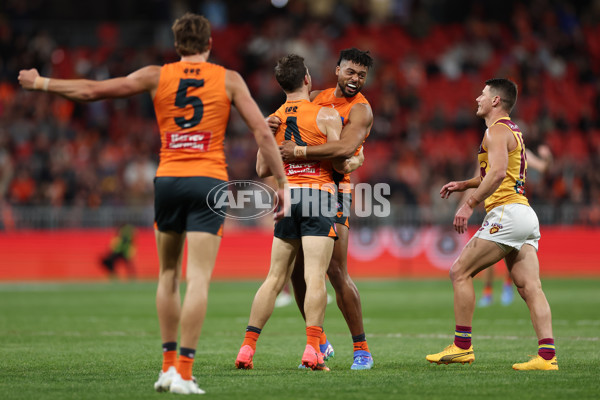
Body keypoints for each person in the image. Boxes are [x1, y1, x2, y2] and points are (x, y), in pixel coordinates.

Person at [19, 13, 289, 394]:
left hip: (169, 180)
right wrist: (281, 182)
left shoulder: (155, 75)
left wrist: (41, 82)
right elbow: (262, 130)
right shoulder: (228, 79)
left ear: (176, 45)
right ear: (209, 44)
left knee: (167, 274)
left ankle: (166, 368)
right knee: (198, 278)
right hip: (209, 182)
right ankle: (184, 371)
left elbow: (93, 91)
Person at [234, 54, 363, 371]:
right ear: (307, 79)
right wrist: (356, 160)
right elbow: (338, 162)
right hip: (318, 195)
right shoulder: (326, 115)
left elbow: (262, 168)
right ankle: (312, 350)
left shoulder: (273, 119)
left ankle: (247, 349)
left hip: (288, 197)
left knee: (274, 278)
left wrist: (266, 135)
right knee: (315, 276)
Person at [425, 78, 558, 371]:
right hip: (524, 213)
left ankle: (462, 347)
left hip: (506, 213)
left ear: (496, 101)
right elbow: (499, 172)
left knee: (459, 272)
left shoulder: (496, 131)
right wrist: (465, 184)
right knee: (530, 287)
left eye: (483, 94)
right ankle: (547, 358)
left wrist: (469, 204)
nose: (477, 98)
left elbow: (497, 174)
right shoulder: (513, 131)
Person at [277, 48, 375, 370]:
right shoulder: (315, 98)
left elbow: (346, 150)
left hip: (335, 190)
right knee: (296, 270)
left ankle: (361, 348)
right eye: (350, 72)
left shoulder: (361, 110)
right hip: (304, 187)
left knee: (335, 270)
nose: (355, 79)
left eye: (361, 75)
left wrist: (300, 151)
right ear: (337, 70)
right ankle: (319, 341)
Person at [477, 145, 553, 307]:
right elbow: (479, 178)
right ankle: (489, 291)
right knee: (491, 254)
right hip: (495, 208)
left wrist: (547, 158)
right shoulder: (490, 151)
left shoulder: (521, 152)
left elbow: (543, 168)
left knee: (508, 252)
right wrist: (467, 203)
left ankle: (505, 286)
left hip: (513, 207)